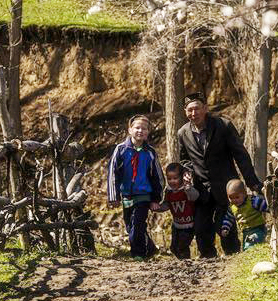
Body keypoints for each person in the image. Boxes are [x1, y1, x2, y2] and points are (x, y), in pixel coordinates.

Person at [177, 92, 262, 257]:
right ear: (185, 112)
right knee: (201, 228)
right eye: (189, 110)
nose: (193, 114)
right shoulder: (183, 133)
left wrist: (252, 182)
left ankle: (233, 257)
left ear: (205, 109)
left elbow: (240, 155)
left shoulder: (223, 125)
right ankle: (208, 260)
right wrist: (187, 173)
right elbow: (185, 160)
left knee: (225, 226)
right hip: (201, 188)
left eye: (197, 109)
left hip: (226, 186)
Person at [106, 115, 164, 259]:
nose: (140, 131)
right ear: (130, 130)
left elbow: (158, 176)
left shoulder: (150, 152)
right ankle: (150, 248)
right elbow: (113, 173)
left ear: (148, 132)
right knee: (130, 226)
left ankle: (138, 254)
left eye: (144, 129)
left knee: (137, 224)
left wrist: (156, 198)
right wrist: (114, 196)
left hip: (144, 194)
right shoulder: (120, 150)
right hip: (126, 194)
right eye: (137, 128)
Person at [151, 162, 199, 259]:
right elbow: (167, 205)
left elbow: (195, 197)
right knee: (173, 247)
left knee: (182, 246)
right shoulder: (168, 191)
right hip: (177, 224)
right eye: (169, 179)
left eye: (175, 178)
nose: (172, 181)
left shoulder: (186, 188)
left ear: (182, 177)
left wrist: (188, 187)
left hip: (189, 224)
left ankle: (186, 263)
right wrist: (157, 208)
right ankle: (183, 261)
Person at [220, 179, 269, 250]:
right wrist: (225, 228)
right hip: (246, 232)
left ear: (245, 193)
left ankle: (257, 251)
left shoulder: (252, 201)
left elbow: (265, 206)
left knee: (252, 244)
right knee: (246, 247)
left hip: (258, 228)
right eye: (231, 198)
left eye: (237, 197)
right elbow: (228, 218)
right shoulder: (232, 208)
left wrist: (272, 209)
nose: (234, 200)